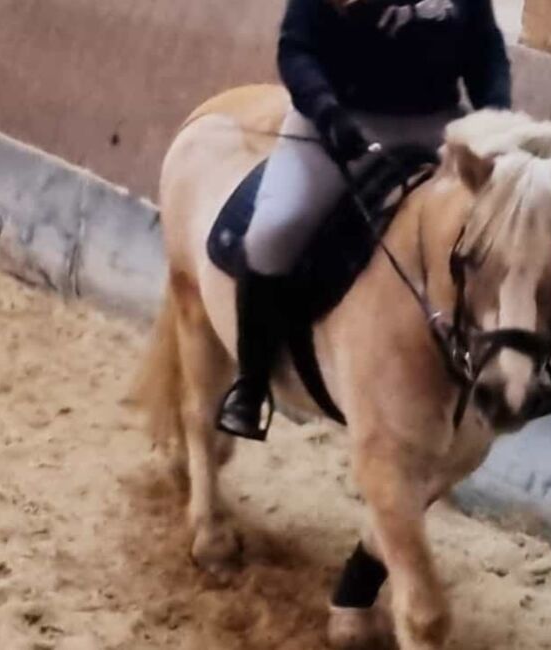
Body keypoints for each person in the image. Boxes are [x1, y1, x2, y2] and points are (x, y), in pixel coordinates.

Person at [217, 0, 512, 441]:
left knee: (511, 227)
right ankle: (252, 384)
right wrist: (326, 110)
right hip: (338, 122)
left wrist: (497, 117)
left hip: (437, 126)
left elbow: (486, 51)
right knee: (274, 232)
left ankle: (518, 374)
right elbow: (297, 49)